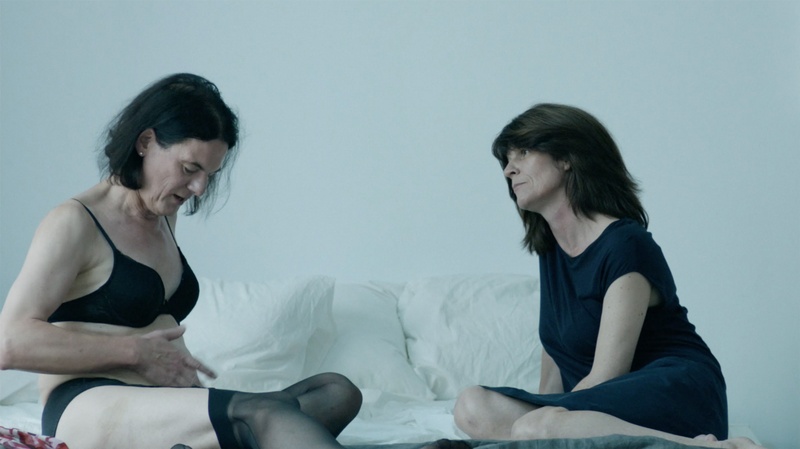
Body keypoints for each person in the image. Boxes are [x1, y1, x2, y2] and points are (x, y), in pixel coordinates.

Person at [0, 73, 364, 449]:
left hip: (163, 407)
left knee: (336, 391)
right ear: (145, 142)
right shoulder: (75, 222)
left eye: (209, 175)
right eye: (190, 169)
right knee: (264, 415)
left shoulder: (163, 216)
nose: (199, 188)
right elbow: (10, 342)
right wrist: (136, 354)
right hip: (90, 403)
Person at [452, 104, 764, 449]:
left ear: (566, 157)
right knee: (472, 406)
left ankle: (703, 447)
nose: (509, 169)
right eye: (507, 160)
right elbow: (555, 359)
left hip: (675, 393)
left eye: (523, 153)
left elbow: (607, 375)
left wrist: (544, 423)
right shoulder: (551, 250)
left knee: (535, 428)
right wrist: (544, 415)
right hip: (601, 406)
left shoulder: (625, 244)